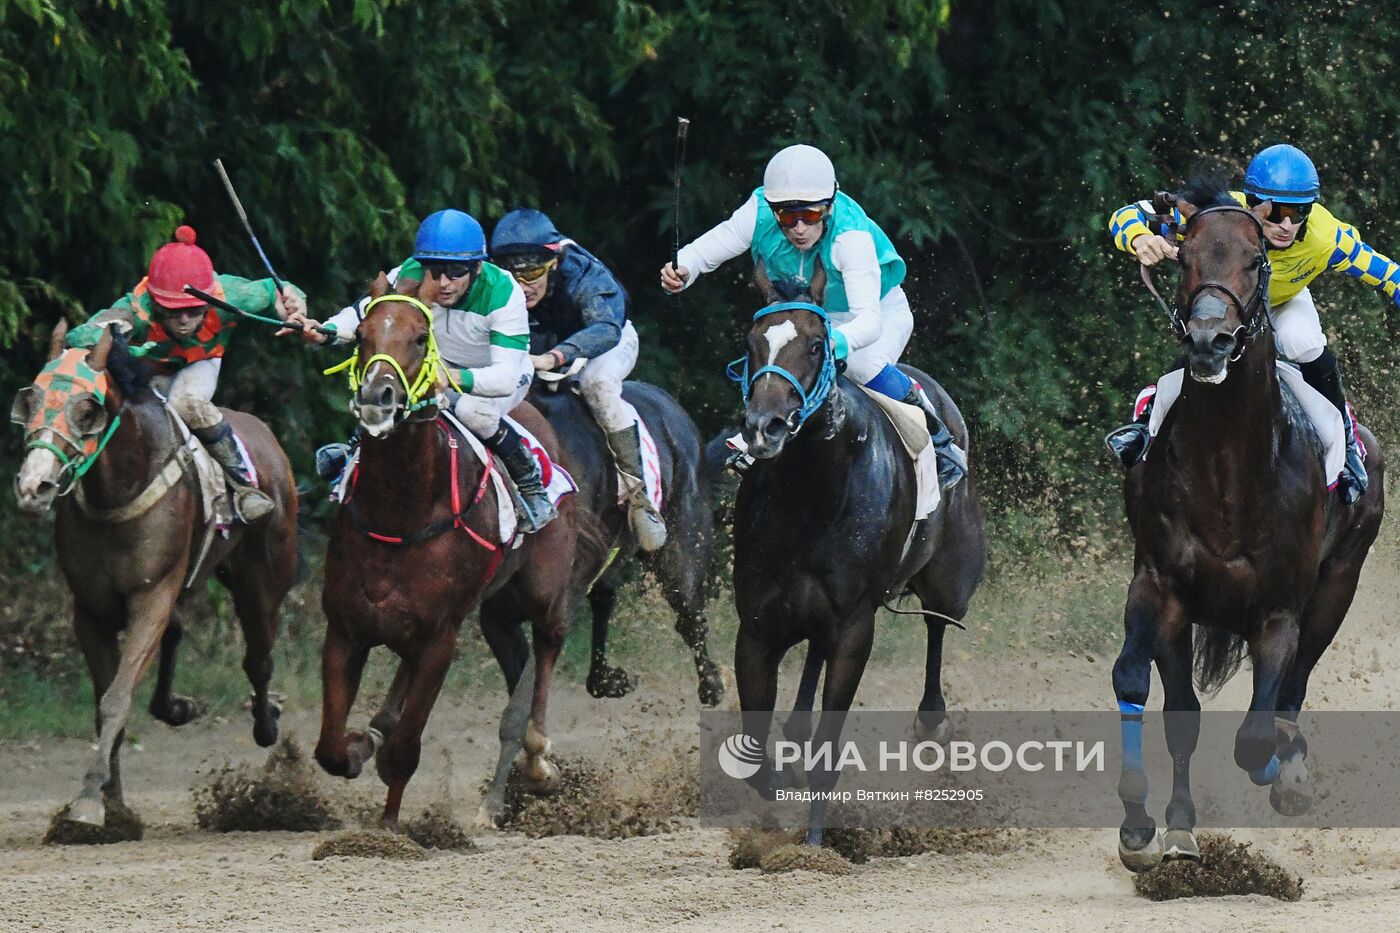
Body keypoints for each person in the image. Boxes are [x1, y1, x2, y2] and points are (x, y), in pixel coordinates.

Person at [659, 144, 966, 488]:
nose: (799, 228)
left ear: (829, 206)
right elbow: (710, 248)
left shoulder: (851, 236)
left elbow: (869, 321)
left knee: (861, 363)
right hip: (807, 316)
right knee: (775, 354)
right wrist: (683, 267)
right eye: (788, 217)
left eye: (812, 215)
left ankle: (940, 439)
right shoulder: (758, 212)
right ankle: (757, 432)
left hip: (873, 311)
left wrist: (829, 343)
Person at [1106, 143, 1394, 503]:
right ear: (1253, 202)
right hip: (1231, 306)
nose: (1287, 225)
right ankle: (1144, 427)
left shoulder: (1328, 237)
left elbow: (1387, 274)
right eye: (1276, 212)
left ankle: (1347, 444)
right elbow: (1125, 214)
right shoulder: (1219, 214)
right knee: (1203, 334)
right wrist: (1139, 237)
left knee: (1302, 342)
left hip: (1284, 301)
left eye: (1300, 211)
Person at [289, 209, 557, 532]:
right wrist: (325, 331)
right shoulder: (410, 275)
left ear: (476, 266)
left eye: (455, 271)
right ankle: (352, 453)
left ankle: (529, 484)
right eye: (434, 269)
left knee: (474, 412)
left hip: (497, 374)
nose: (443, 282)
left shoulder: (503, 292)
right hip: (434, 364)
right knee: (386, 390)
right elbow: (368, 315)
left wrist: (453, 379)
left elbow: (506, 377)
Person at [66, 225, 306, 521]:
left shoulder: (231, 295)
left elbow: (276, 290)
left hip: (199, 362)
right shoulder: (135, 308)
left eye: (193, 310)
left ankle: (244, 484)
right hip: (148, 369)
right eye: (171, 310)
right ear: (155, 301)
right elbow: (78, 336)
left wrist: (292, 302)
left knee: (187, 402)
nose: (183, 320)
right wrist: (113, 335)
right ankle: (66, 474)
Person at [489, 208, 667, 551]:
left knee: (598, 386)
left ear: (554, 262)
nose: (522, 285)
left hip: (602, 343)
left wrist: (555, 357)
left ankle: (640, 498)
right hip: (539, 347)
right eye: (510, 274)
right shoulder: (492, 283)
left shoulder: (583, 273)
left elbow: (604, 328)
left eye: (533, 273)